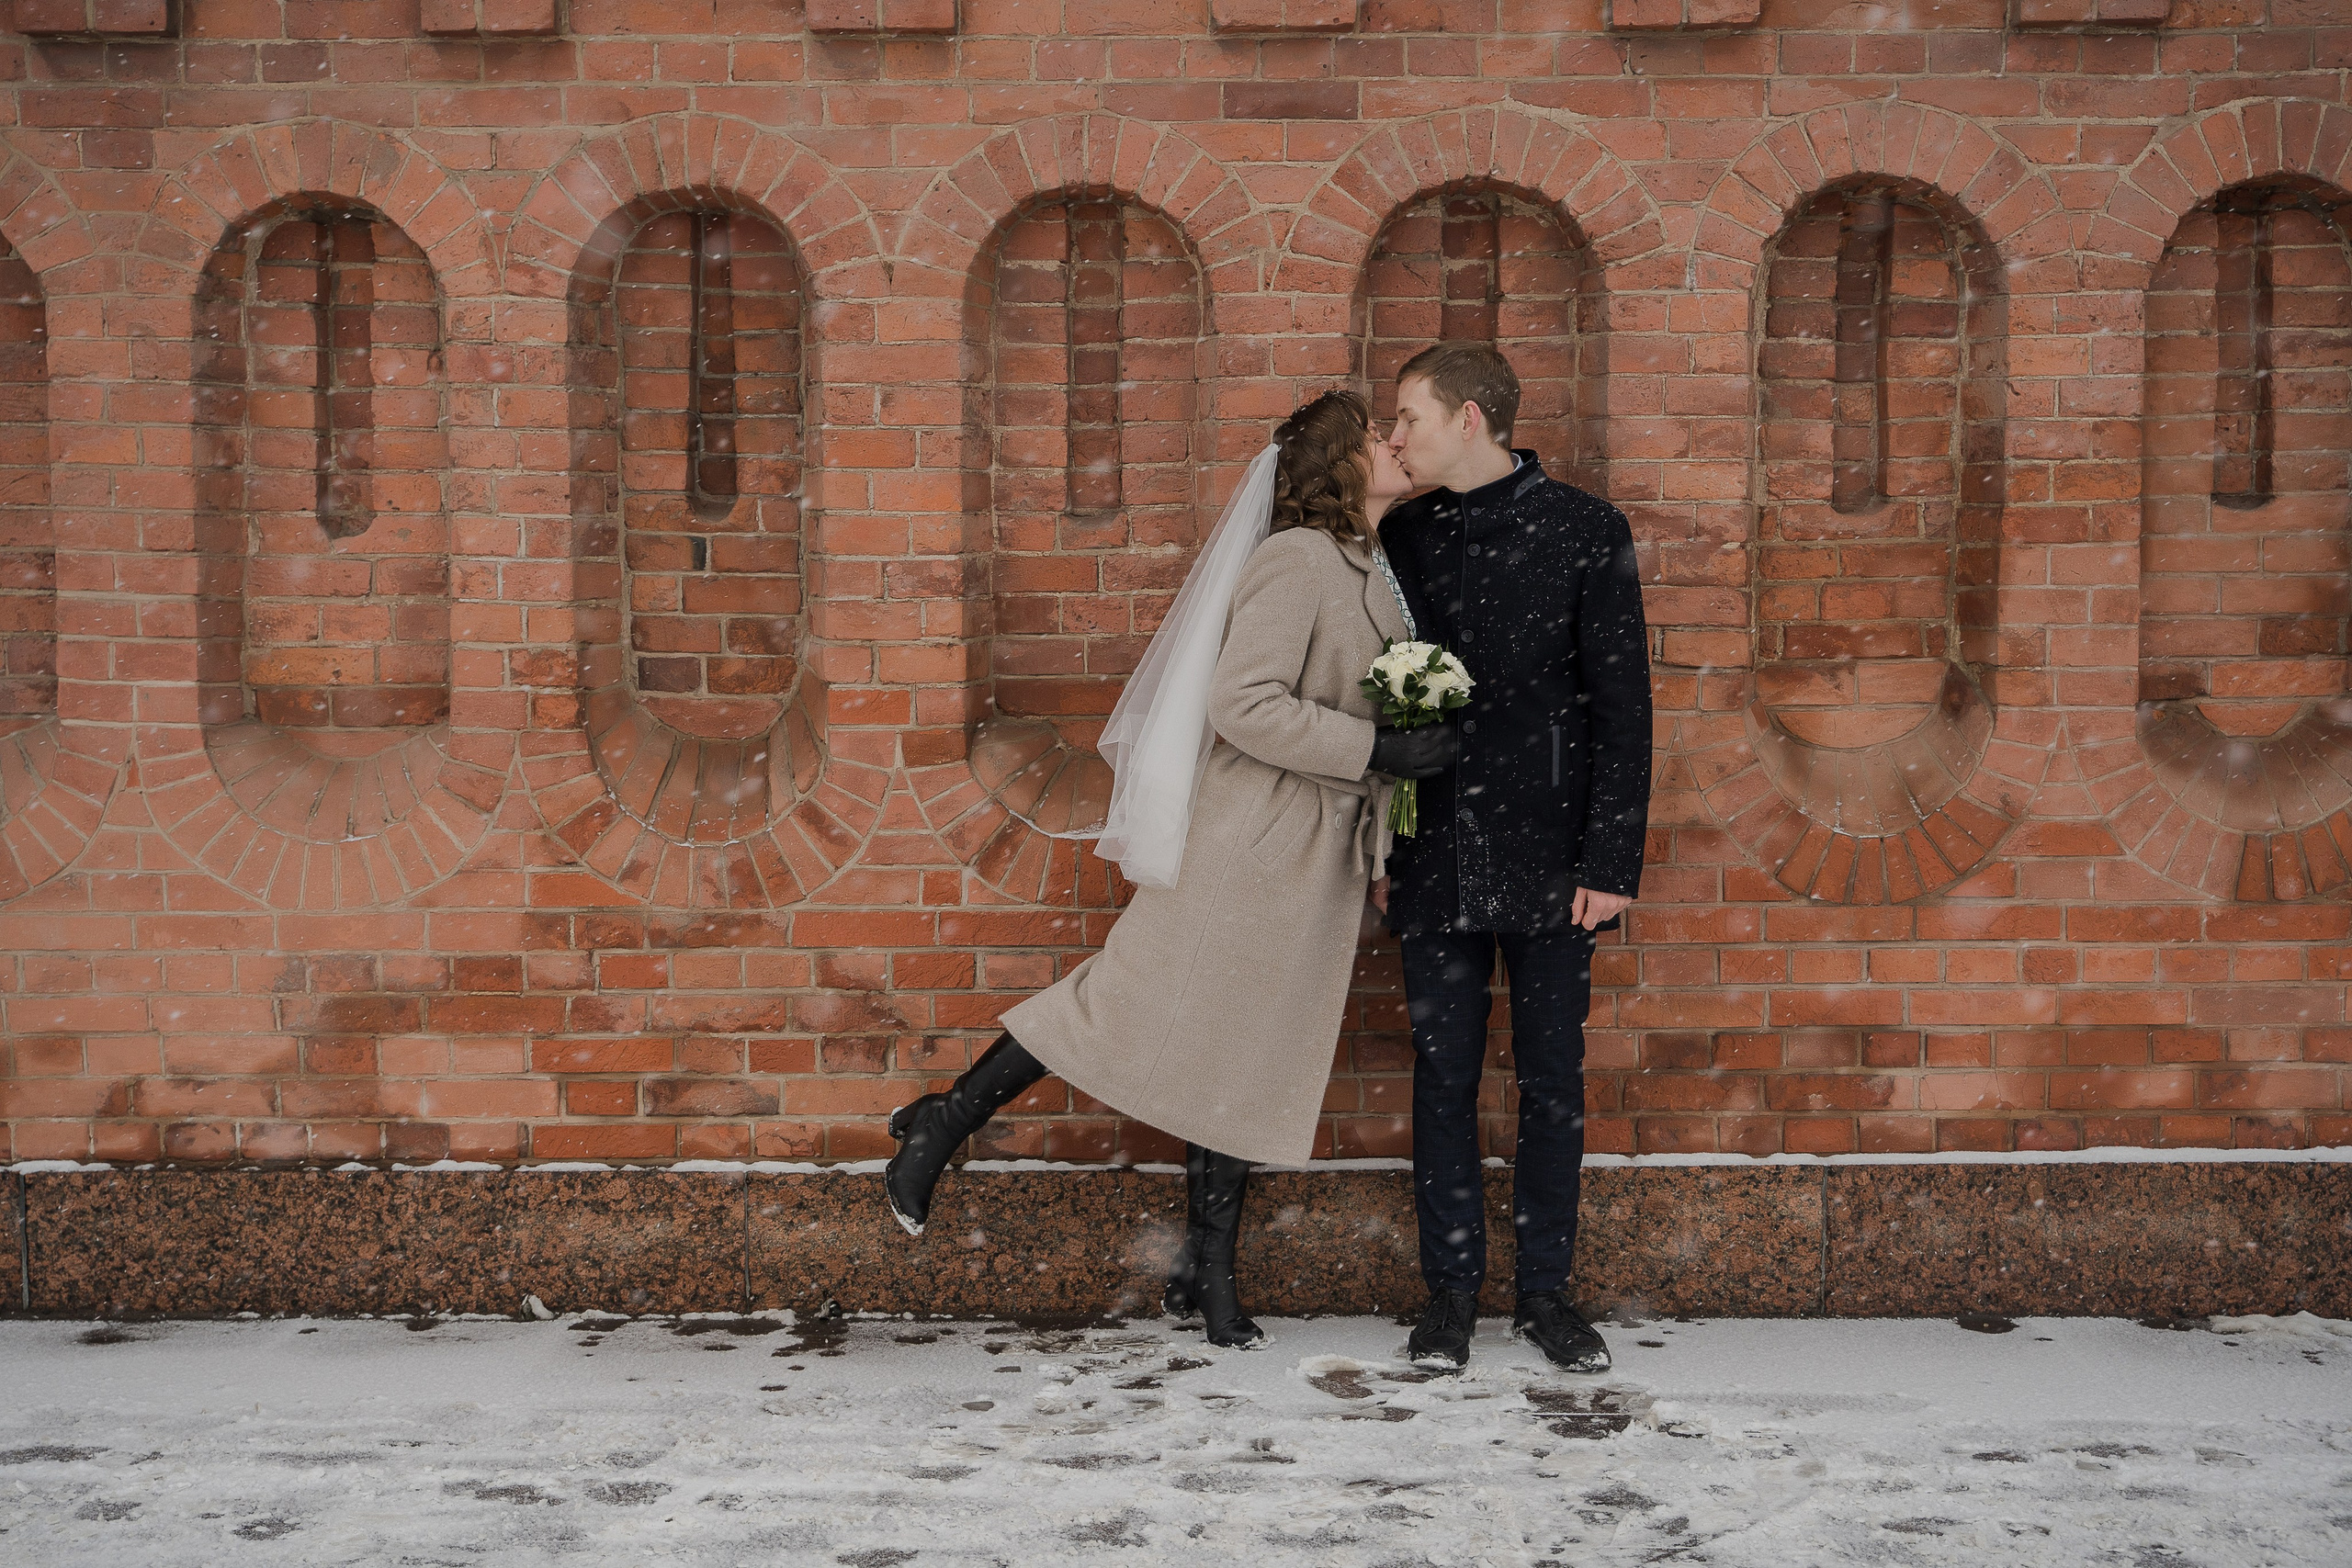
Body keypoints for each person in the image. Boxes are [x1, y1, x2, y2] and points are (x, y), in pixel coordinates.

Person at [882, 389, 1456, 1349]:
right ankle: (940, 1124)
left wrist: (1387, 813)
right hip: (1251, 845)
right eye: (1371, 435)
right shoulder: (1295, 560)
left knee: (1236, 1057)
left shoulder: (1367, 565)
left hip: (1313, 857)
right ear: (1335, 466)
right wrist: (1377, 752)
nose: (1393, 444)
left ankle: (1204, 1272)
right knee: (1124, 1002)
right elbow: (1244, 704)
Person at [1376, 341, 1653, 1375]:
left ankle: (1546, 1293)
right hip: (1432, 849)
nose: (1396, 437)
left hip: (1556, 862)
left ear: (1470, 421)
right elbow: (1386, 697)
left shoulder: (1587, 532)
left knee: (1552, 1081)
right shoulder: (1403, 538)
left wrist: (1610, 861)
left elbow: (1624, 712)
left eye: (1409, 416)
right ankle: (1449, 1295)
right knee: (1441, 1077)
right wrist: (1383, 835)